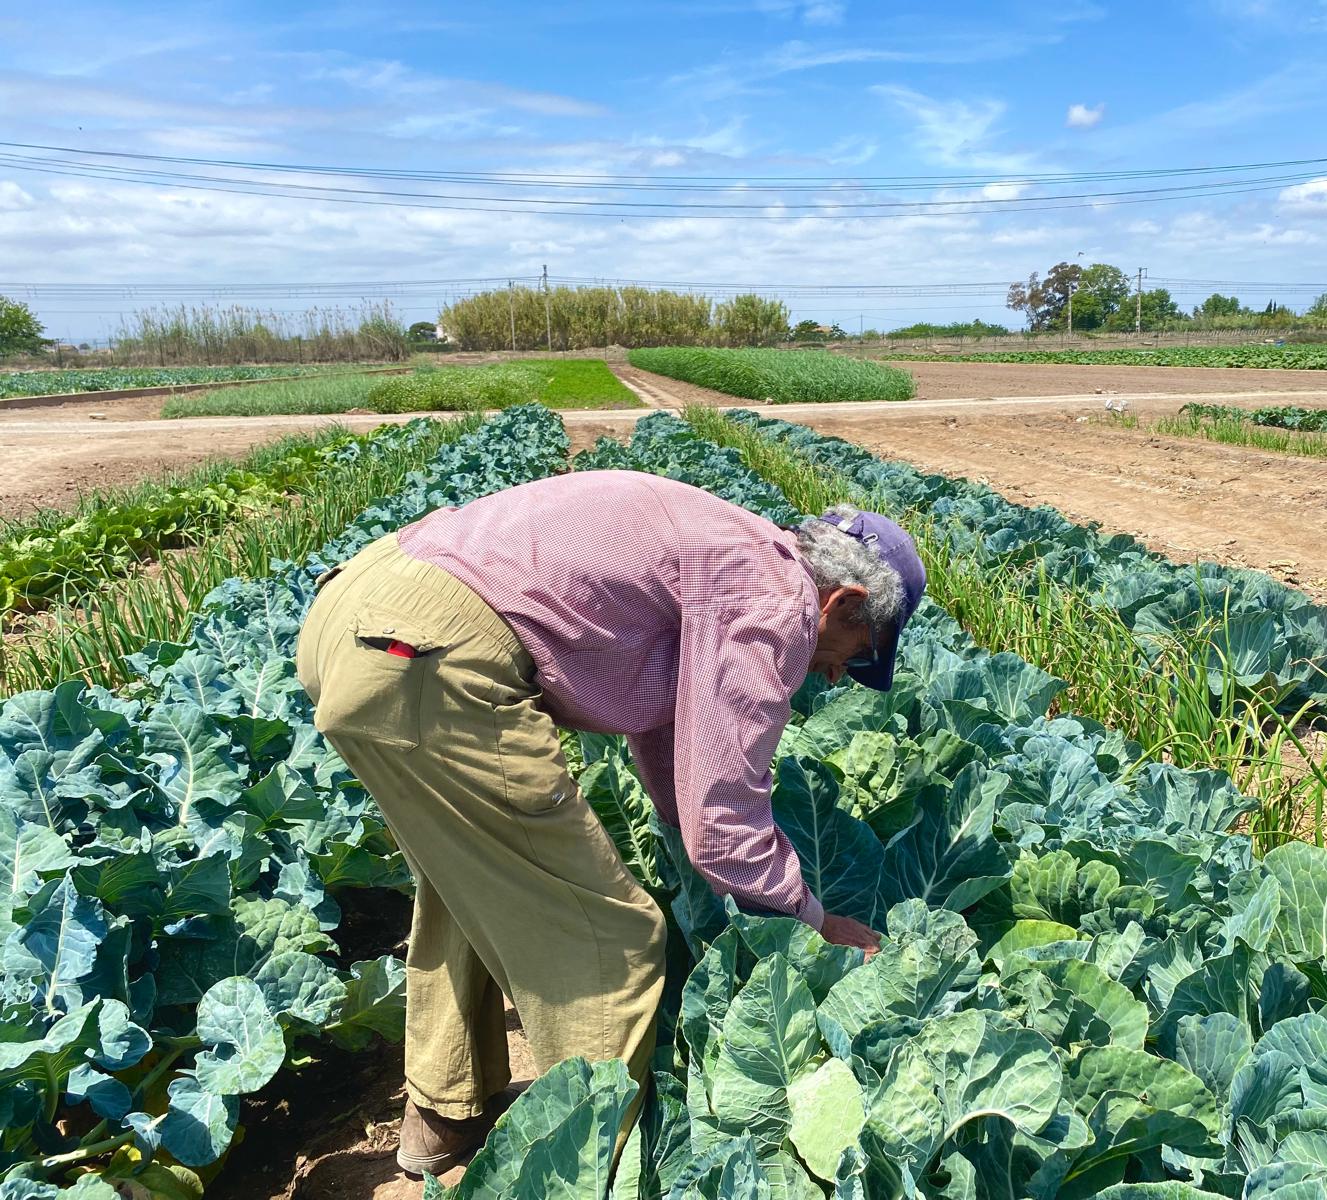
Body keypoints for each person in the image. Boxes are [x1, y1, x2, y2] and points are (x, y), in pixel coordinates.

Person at [295, 469, 926, 1176]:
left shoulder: (728, 550)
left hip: (357, 615)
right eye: (859, 653)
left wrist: (696, 841)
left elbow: (672, 739)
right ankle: (586, 1173)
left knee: (475, 880)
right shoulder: (776, 598)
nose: (836, 676)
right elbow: (723, 820)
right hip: (428, 654)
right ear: (845, 601)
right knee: (612, 939)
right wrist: (812, 921)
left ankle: (445, 1114)